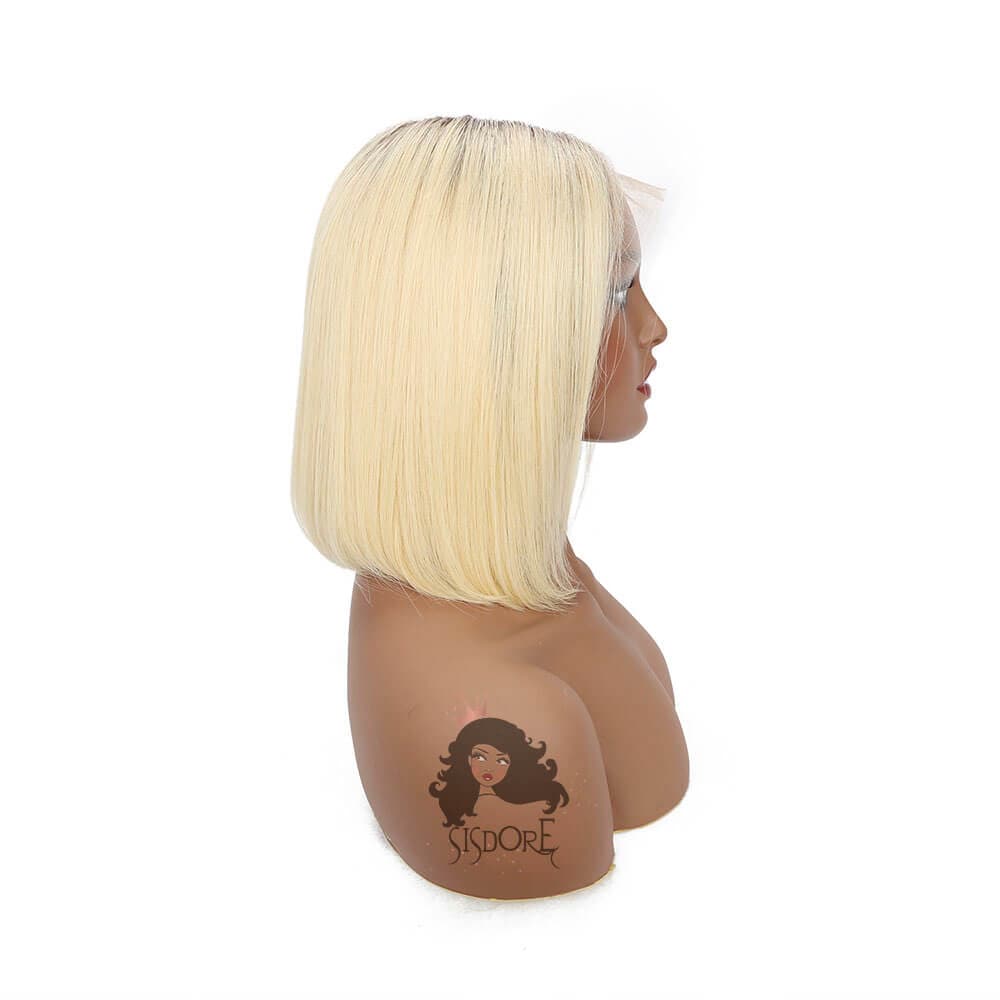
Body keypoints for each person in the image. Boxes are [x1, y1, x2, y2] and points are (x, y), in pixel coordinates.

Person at [291, 115, 688, 900]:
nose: (654, 327)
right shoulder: (497, 716)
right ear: (489, 337)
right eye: (615, 293)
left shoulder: (546, 577)